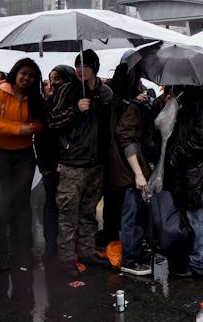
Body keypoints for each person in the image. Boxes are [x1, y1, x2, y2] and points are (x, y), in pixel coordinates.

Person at [46, 50, 112, 278]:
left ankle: (87, 251)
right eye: (77, 65)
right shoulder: (67, 90)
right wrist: (76, 109)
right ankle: (66, 258)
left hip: (96, 163)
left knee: (89, 212)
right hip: (72, 162)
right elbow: (53, 121)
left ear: (95, 67)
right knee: (68, 213)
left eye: (85, 65)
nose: (80, 70)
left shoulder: (105, 93)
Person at [0, 58, 44, 271]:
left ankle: (23, 255)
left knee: (22, 206)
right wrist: (18, 129)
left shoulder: (34, 98)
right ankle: (1, 258)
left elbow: (40, 123)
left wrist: (32, 128)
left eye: (31, 76)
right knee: (2, 205)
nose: (27, 78)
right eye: (24, 73)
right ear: (16, 72)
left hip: (24, 156)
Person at [165, 84, 203, 277]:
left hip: (196, 172)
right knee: (194, 217)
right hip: (188, 171)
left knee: (199, 218)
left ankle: (200, 264)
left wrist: (177, 154)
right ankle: (197, 261)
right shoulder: (188, 100)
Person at [109, 63, 153, 276]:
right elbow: (126, 137)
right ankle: (130, 260)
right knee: (132, 216)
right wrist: (138, 173)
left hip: (119, 169)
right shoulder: (131, 107)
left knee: (130, 215)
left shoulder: (116, 101)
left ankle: (132, 255)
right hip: (129, 171)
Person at [36, 64, 75, 261]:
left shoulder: (72, 104)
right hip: (51, 165)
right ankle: (51, 246)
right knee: (52, 205)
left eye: (57, 79)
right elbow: (41, 138)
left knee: (68, 206)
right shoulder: (45, 106)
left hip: (71, 162)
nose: (52, 84)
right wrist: (45, 166)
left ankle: (68, 246)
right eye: (50, 80)